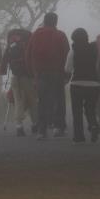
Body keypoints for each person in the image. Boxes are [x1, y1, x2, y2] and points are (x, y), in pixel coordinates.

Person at [26, 12, 70, 140]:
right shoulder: (60, 35)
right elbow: (67, 54)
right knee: (59, 100)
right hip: (57, 73)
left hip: (40, 74)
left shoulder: (35, 35)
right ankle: (58, 128)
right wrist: (67, 74)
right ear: (55, 22)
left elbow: (28, 55)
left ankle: (41, 130)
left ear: (44, 21)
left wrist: (32, 74)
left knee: (42, 102)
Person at [0, 28, 37, 137]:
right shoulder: (28, 44)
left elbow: (4, 60)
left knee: (18, 101)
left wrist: (2, 71)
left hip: (15, 77)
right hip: (28, 77)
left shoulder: (11, 45)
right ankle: (35, 124)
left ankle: (19, 126)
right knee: (32, 101)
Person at [65, 28, 100, 143]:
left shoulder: (73, 50)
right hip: (94, 84)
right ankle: (93, 125)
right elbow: (98, 66)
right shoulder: (95, 49)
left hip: (77, 84)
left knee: (77, 111)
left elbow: (68, 68)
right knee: (90, 109)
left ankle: (79, 137)